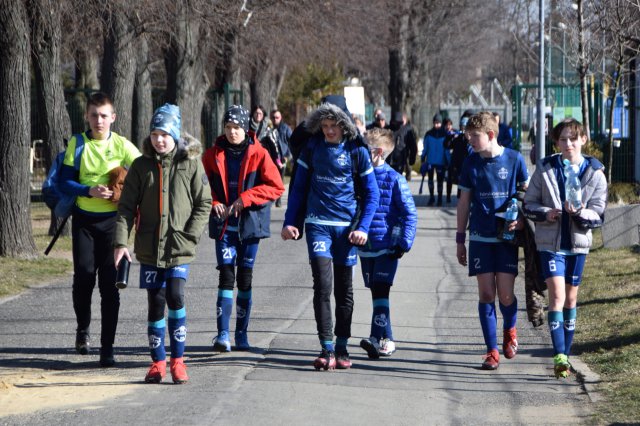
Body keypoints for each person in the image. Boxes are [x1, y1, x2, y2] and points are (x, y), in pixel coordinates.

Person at [113, 104, 211, 384]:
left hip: (179, 247)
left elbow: (204, 202)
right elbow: (126, 208)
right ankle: (157, 363)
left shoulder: (190, 163)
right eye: (155, 133)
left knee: (176, 296)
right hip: (149, 249)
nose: (159, 139)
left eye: (165, 134)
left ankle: (178, 362)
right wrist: (121, 242)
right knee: (155, 303)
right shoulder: (141, 166)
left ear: (175, 134)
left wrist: (190, 235)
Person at [281, 102, 380, 371]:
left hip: (347, 229)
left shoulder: (356, 150)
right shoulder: (312, 148)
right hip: (318, 225)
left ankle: (342, 346)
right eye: (323, 126)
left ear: (343, 124)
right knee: (323, 286)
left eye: (333, 126)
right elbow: (299, 188)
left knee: (344, 290)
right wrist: (291, 222)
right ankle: (326, 347)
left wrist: (363, 228)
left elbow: (372, 194)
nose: (328, 131)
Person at [58, 92, 141, 367]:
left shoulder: (122, 145)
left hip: (113, 225)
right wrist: (88, 190)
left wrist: (127, 191)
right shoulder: (77, 143)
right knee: (83, 278)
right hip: (84, 220)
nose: (99, 120)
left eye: (104, 115)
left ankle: (108, 348)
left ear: (113, 118)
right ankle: (83, 330)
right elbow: (64, 182)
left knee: (110, 287)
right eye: (94, 115)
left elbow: (143, 169)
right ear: (87, 116)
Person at [523, 118, 607, 378]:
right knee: (557, 297)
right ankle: (559, 355)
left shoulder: (595, 172)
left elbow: (599, 213)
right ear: (556, 142)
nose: (568, 144)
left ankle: (566, 355)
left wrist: (581, 213)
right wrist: (548, 213)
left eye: (573, 138)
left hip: (578, 245)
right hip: (551, 244)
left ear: (583, 140)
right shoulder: (546, 168)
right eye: (563, 139)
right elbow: (529, 204)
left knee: (571, 299)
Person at [202, 105, 284, 352]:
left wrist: (246, 198)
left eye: (236, 127)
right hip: (224, 225)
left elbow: (277, 186)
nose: (232, 132)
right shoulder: (211, 155)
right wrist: (215, 202)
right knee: (226, 276)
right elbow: (203, 188)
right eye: (227, 127)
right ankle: (222, 334)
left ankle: (241, 334)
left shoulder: (259, 153)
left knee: (245, 280)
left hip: (250, 226)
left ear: (245, 128)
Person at [455, 111, 529, 370]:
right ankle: (491, 351)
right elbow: (463, 203)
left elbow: (526, 197)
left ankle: (510, 329)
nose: (470, 141)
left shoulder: (515, 159)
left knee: (506, 296)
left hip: (506, 238)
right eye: (467, 136)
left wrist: (520, 220)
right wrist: (460, 239)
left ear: (490, 134)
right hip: (480, 237)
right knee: (487, 293)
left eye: (474, 136)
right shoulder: (470, 163)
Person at [358, 128, 417, 359]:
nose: (361, 153)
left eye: (365, 149)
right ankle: (388, 339)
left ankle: (375, 338)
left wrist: (403, 242)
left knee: (382, 291)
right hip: (366, 246)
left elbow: (409, 213)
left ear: (378, 152)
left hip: (387, 246)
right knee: (377, 294)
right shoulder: (360, 177)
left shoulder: (394, 179)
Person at [444, 112, 473, 203]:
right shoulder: (457, 137)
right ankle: (449, 197)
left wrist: (468, 139)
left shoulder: (471, 140)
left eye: (465, 128)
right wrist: (449, 137)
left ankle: (462, 199)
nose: (463, 130)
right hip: (456, 164)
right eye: (462, 127)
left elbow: (471, 151)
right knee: (451, 179)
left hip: (466, 165)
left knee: (463, 184)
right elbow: (447, 146)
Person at [421, 113, 447, 206]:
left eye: (438, 123)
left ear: (441, 123)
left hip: (441, 162)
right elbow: (425, 147)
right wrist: (423, 157)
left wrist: (448, 160)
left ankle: (439, 198)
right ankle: (432, 197)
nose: (436, 125)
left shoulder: (445, 134)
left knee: (440, 181)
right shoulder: (428, 134)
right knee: (430, 180)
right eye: (435, 123)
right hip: (430, 161)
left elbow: (446, 149)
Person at [270, 109, 292, 207]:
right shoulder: (269, 129)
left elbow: (291, 142)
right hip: (271, 158)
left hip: (282, 158)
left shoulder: (285, 128)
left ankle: (278, 199)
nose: (275, 119)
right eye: (273, 117)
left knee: (279, 179)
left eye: (277, 117)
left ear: (280, 118)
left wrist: (287, 156)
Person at [387, 112, 418, 181]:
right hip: (388, 159)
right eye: (395, 122)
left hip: (400, 160)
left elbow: (413, 145)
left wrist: (412, 158)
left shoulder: (406, 130)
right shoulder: (388, 130)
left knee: (396, 179)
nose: (396, 124)